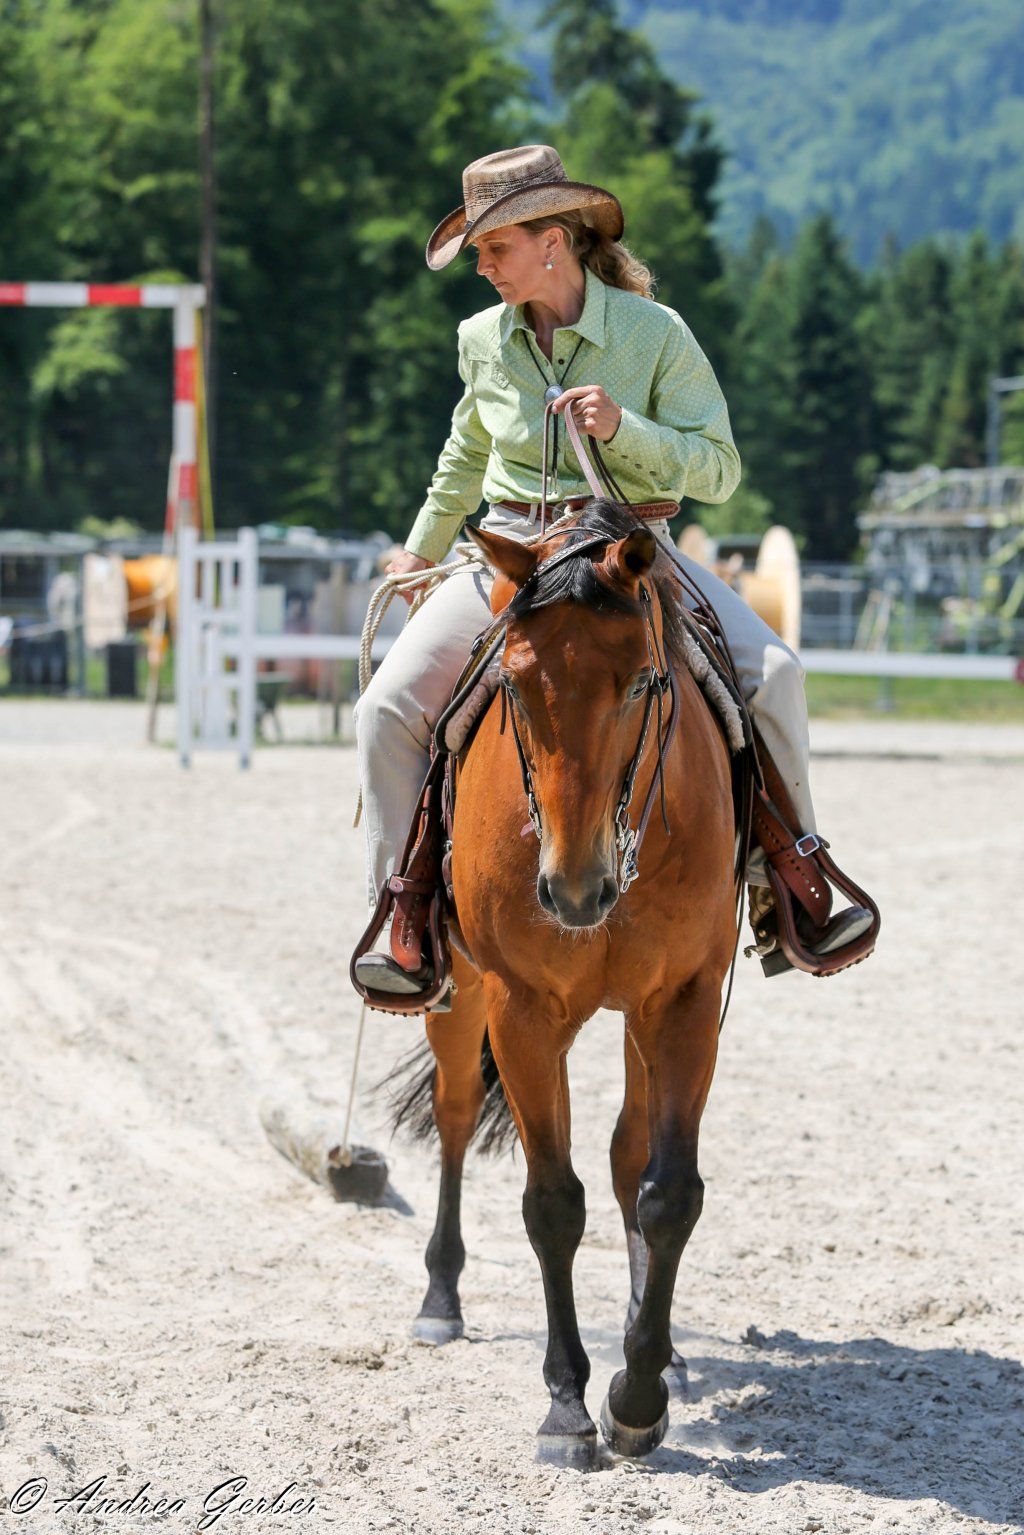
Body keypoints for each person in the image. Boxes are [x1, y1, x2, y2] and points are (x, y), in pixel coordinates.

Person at [353, 145, 873, 998]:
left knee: (775, 676)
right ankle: (404, 914)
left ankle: (791, 879)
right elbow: (465, 451)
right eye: (479, 252)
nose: (482, 266)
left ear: (553, 241)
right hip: (512, 557)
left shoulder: (655, 335)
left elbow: (720, 469)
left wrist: (622, 428)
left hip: (634, 555)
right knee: (384, 711)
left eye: (496, 247)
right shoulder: (480, 339)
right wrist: (419, 545)